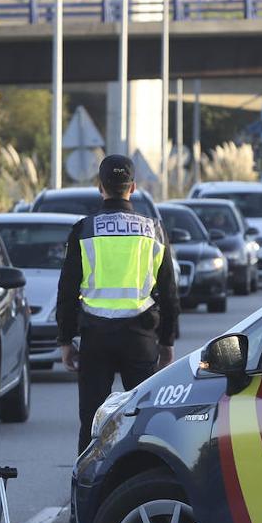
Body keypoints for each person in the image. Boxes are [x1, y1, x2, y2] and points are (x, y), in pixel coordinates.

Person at [56, 155, 180, 454]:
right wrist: (167, 341)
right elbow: (169, 292)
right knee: (144, 420)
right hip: (140, 338)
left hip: (96, 338)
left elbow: (67, 290)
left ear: (101, 187)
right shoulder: (153, 230)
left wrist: (65, 340)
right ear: (133, 187)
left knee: (92, 422)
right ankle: (138, 484)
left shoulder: (84, 230)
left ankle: (87, 491)